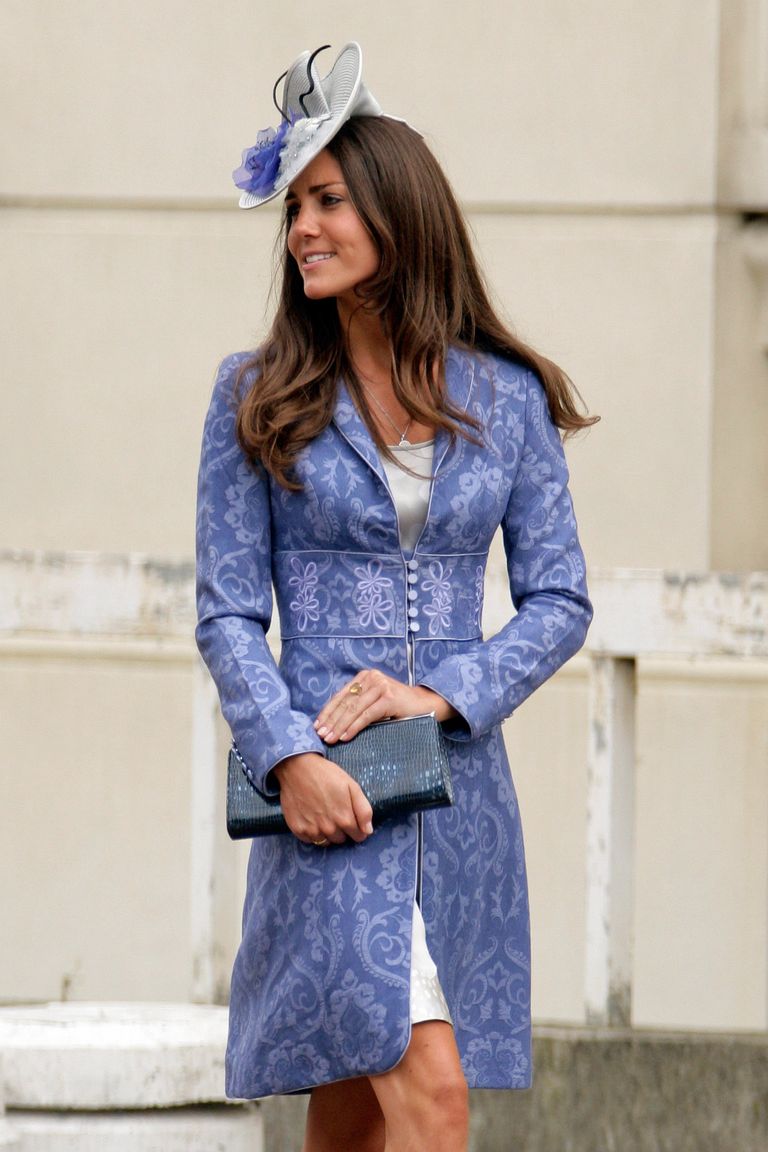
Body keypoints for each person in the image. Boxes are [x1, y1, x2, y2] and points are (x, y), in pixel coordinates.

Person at [196, 41, 596, 1152]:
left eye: (327, 203)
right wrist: (289, 760)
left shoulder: (506, 401)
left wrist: (445, 695)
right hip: (329, 800)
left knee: (354, 1118)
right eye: (295, 209)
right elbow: (227, 612)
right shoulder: (254, 396)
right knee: (430, 1095)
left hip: (461, 802)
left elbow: (561, 598)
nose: (301, 230)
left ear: (396, 217)